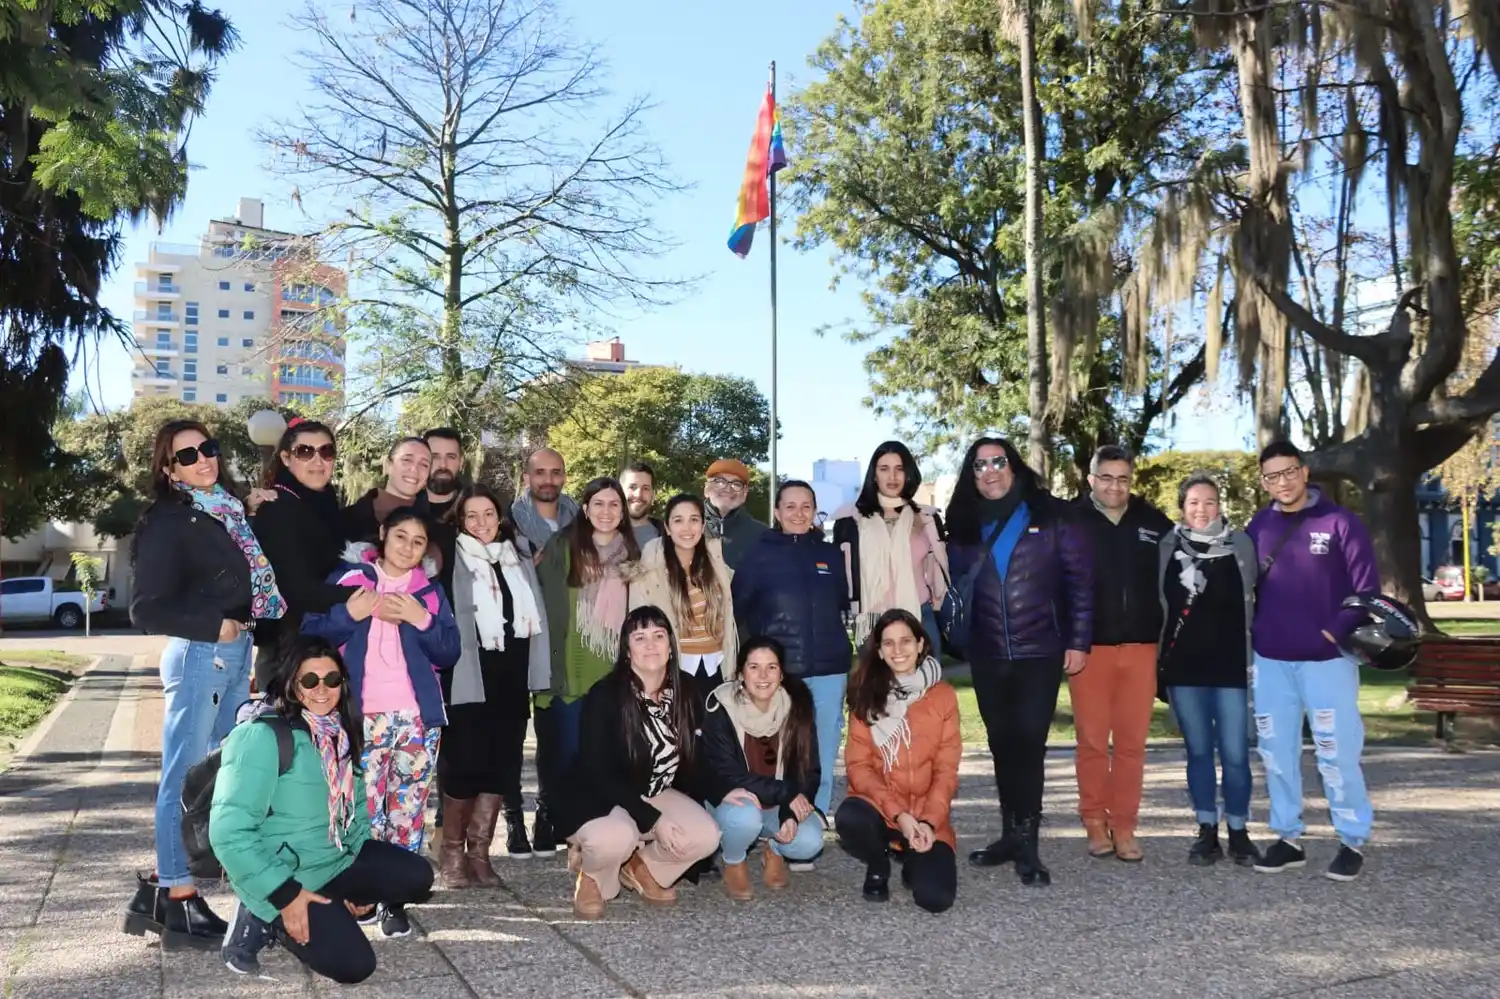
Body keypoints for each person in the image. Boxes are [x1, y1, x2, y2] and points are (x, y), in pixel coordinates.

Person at [123, 419, 286, 949]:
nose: (203, 460)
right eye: (187, 456)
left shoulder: (222, 509)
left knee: (219, 774)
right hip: (202, 653)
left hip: (235, 651)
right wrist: (211, 625)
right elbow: (146, 606)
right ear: (169, 471)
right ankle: (178, 895)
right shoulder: (167, 521)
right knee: (184, 776)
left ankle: (162, 890)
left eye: (208, 449)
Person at [213, 638, 435, 982]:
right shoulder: (259, 737)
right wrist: (286, 896)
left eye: (332, 680)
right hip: (284, 876)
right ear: (291, 683)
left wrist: (359, 885)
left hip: (333, 863)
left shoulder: (341, 732)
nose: (322, 690)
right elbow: (228, 833)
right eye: (309, 680)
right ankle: (261, 916)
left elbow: (358, 812)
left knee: (417, 877)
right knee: (355, 967)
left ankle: (333, 901)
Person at [301, 508, 461, 936]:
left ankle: (395, 898)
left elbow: (449, 651)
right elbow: (311, 635)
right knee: (362, 811)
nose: (408, 547)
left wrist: (419, 619)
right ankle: (358, 893)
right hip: (361, 716)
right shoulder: (350, 579)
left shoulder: (428, 593)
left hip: (417, 720)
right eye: (401, 536)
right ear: (384, 536)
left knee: (406, 810)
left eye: (418, 541)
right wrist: (350, 615)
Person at [948, 436, 1092, 887]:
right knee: (1001, 745)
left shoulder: (1052, 516)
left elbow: (1080, 585)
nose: (990, 471)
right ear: (971, 475)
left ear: (1014, 467)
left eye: (998, 461)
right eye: (979, 465)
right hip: (988, 653)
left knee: (1029, 746)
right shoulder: (964, 524)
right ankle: (1010, 834)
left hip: (1039, 651)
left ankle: (1028, 844)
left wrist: (1079, 641)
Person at [1246, 441, 1380, 882]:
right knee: (1276, 754)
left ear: (1304, 472)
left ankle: (1351, 838)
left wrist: (1331, 630)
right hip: (1271, 662)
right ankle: (1288, 837)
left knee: (1336, 752)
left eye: (1288, 472)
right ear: (1263, 481)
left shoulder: (1341, 522)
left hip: (1327, 660)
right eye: (1271, 476)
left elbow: (1365, 592)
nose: (1281, 482)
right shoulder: (1259, 526)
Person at [553, 606, 721, 919]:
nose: (650, 645)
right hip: (599, 796)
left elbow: (701, 760)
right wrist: (653, 819)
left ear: (671, 646)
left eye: (659, 636)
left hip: (652, 788)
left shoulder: (686, 691)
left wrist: (729, 792)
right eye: (640, 637)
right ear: (627, 650)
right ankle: (591, 877)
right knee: (617, 837)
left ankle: (641, 867)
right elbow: (597, 772)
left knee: (705, 835)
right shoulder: (604, 695)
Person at [439, 484, 548, 887]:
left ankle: (480, 852)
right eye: (472, 515)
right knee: (463, 762)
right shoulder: (451, 557)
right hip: (468, 674)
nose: (481, 523)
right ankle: (451, 854)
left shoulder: (516, 556)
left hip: (512, 677)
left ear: (500, 516)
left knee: (502, 764)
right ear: (460, 520)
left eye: (488, 514)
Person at [1069, 445, 1173, 861]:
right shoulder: (1071, 521)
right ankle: (1094, 821)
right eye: (1106, 477)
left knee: (1131, 743)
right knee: (1092, 742)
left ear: (1132, 481)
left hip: (1141, 648)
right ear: (1091, 479)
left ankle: (1125, 825)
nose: (1115, 486)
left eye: (1123, 478)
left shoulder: (1154, 523)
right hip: (1089, 650)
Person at [732, 480, 852, 825]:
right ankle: (779, 822)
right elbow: (741, 609)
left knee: (824, 750)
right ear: (776, 512)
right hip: (780, 674)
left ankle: (811, 824)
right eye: (790, 506)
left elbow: (840, 605)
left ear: (815, 511)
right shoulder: (758, 555)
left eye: (806, 506)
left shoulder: (829, 554)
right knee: (781, 754)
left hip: (830, 669)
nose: (798, 514)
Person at [1158, 473, 1261, 867]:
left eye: (1210, 502)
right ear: (1182, 508)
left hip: (1233, 667)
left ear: (1221, 506)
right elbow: (1160, 605)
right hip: (1185, 668)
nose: (1202, 510)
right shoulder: (1168, 547)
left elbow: (1257, 596)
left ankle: (1238, 830)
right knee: (1199, 751)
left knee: (1235, 754)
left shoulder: (1242, 545)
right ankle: (1206, 830)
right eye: (1194, 503)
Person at [533, 478, 642, 848]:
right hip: (568, 667)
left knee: (603, 755)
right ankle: (553, 820)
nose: (607, 512)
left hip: (613, 670)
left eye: (614, 504)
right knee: (563, 754)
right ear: (585, 508)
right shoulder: (562, 546)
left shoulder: (634, 555)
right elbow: (544, 608)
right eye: (599, 504)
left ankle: (595, 826)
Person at [835, 609, 960, 914]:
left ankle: (909, 856)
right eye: (888, 643)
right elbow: (859, 768)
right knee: (849, 817)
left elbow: (946, 769)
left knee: (936, 899)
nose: (898, 650)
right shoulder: (865, 696)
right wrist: (900, 815)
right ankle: (878, 864)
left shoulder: (943, 696)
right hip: (882, 809)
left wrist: (928, 821)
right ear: (878, 651)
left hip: (926, 815)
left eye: (906, 641)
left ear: (921, 644)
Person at [703, 638, 824, 899]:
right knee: (745, 818)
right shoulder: (720, 707)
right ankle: (734, 861)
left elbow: (809, 769)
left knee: (810, 841)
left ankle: (774, 849)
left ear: (781, 674)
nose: (763, 676)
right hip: (733, 800)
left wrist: (789, 812)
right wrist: (787, 794)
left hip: (777, 802)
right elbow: (729, 775)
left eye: (771, 667)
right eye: (754, 667)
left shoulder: (796, 706)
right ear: (740, 674)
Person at [251, 418, 360, 692]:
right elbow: (293, 588)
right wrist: (361, 595)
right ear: (286, 458)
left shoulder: (324, 504)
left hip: (321, 640)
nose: (317, 460)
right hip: (286, 650)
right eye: (305, 452)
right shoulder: (278, 506)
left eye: (326, 451)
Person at [508, 446, 577, 851]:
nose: (548, 480)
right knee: (513, 736)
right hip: (519, 640)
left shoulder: (579, 520)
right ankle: (512, 815)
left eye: (556, 471)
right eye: (540, 473)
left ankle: (549, 814)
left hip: (564, 642)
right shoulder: (509, 521)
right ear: (527, 476)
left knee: (556, 736)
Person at [832, 440, 949, 653]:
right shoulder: (850, 520)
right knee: (875, 686)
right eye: (884, 469)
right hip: (870, 620)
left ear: (908, 474)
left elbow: (938, 573)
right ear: (874, 475)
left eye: (899, 469)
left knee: (926, 684)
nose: (892, 477)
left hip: (920, 615)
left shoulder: (926, 518)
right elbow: (840, 573)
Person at [628, 493, 738, 687]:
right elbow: (638, 627)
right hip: (673, 670)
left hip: (717, 667)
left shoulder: (717, 562)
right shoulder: (649, 569)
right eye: (678, 520)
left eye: (694, 520)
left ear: (703, 526)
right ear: (668, 529)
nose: (687, 528)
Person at [344, 437, 433, 547]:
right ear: (388, 465)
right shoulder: (345, 518)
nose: (414, 468)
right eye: (407, 460)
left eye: (424, 465)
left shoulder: (434, 529)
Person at [422, 427, 466, 596]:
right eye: (435, 457)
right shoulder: (404, 512)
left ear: (461, 462)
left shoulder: (477, 511)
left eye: (451, 457)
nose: (443, 465)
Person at [704, 458, 768, 570]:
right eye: (720, 481)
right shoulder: (684, 529)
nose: (727, 488)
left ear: (745, 493)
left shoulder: (763, 537)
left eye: (736, 484)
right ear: (706, 489)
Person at [621, 460, 665, 546]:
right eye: (632, 487)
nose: (638, 495)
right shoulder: (598, 533)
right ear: (620, 491)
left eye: (645, 488)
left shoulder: (669, 536)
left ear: (653, 495)